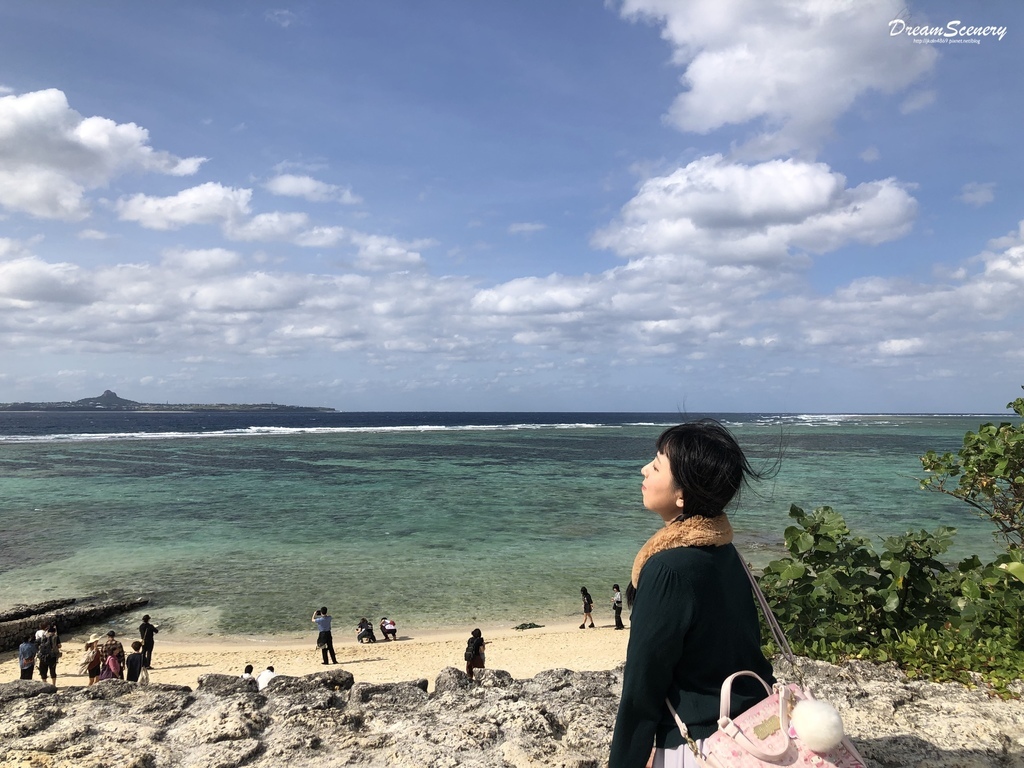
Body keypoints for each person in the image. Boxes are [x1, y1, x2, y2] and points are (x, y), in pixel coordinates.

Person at [609, 420, 775, 768]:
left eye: (655, 465)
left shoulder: (668, 568)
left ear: (682, 494)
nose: (643, 469)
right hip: (751, 726)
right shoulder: (726, 551)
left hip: (697, 744)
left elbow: (643, 686)